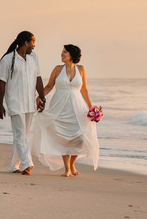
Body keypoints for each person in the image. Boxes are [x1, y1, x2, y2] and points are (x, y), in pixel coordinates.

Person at [31, 44, 99, 177]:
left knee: (80, 136)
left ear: (72, 55)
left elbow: (84, 89)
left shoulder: (81, 69)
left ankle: (72, 163)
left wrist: (91, 108)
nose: (62, 54)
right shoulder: (57, 69)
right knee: (62, 135)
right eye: (62, 52)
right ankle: (67, 169)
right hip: (59, 106)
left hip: (77, 107)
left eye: (65, 52)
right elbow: (49, 86)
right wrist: (40, 97)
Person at [0, 31, 45, 175]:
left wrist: (42, 97)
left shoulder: (33, 58)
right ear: (26, 42)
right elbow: (2, 83)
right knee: (20, 134)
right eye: (33, 42)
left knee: (24, 134)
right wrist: (0, 105)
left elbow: (38, 79)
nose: (34, 46)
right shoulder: (8, 59)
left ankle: (13, 165)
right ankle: (27, 164)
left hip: (29, 102)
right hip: (15, 102)